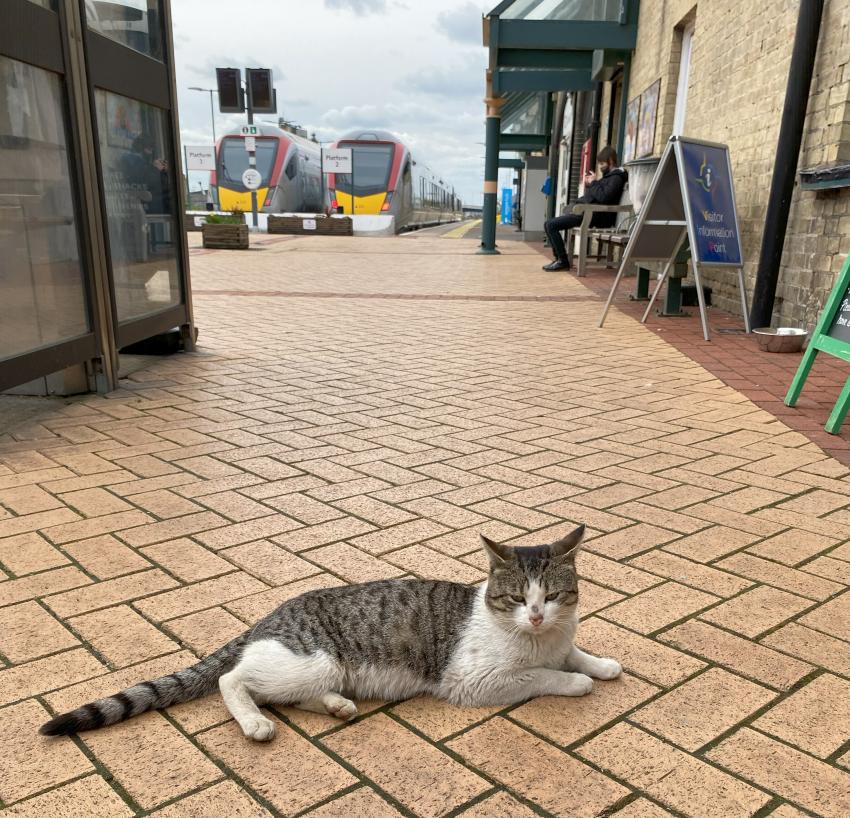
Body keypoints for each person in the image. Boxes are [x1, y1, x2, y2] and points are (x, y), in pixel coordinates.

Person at [542, 146, 627, 272]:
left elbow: (604, 197)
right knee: (549, 224)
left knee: (551, 225)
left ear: (611, 161)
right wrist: (593, 184)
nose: (600, 167)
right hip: (589, 213)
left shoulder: (616, 178)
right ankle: (560, 259)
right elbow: (598, 194)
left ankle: (562, 261)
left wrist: (593, 183)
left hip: (596, 216)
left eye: (602, 163)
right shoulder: (609, 177)